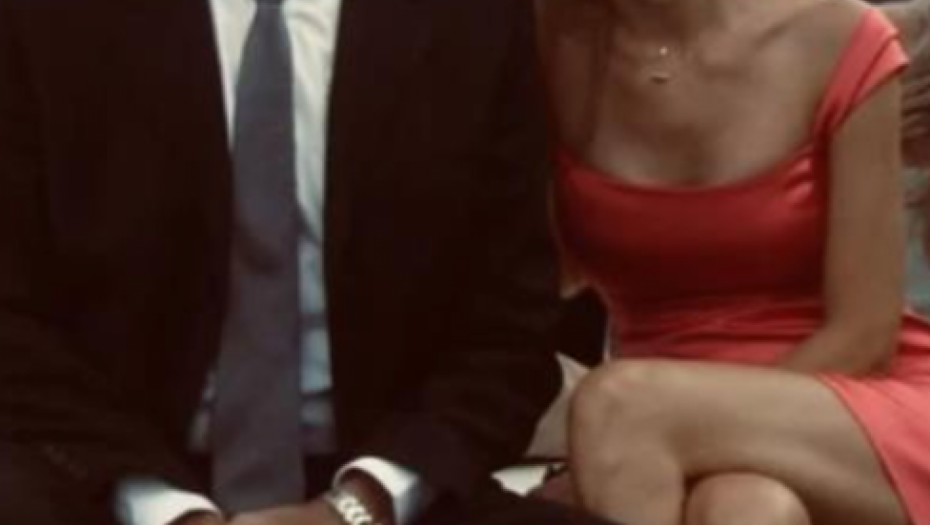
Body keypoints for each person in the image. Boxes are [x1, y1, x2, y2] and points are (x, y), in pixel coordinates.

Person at [0, 2, 614, 525]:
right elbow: (15, 327)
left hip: (380, 480)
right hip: (106, 478)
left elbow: (508, 331)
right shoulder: (47, 18)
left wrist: (360, 504)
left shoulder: (467, 17)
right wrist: (169, 512)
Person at [539, 0, 930, 522]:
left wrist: (694, 430)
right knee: (749, 507)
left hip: (858, 400)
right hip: (661, 419)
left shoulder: (840, 34)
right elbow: (542, 279)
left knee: (616, 403)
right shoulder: (549, 42)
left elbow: (864, 336)